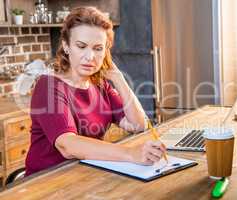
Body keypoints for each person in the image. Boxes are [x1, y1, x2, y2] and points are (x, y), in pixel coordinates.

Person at [25, 7, 166, 176]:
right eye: (81, 46)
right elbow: (67, 145)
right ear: (66, 46)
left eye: (98, 48)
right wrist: (131, 153)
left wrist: (118, 78)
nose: (90, 56)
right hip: (46, 182)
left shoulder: (100, 85)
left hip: (87, 174)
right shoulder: (48, 86)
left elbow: (138, 125)